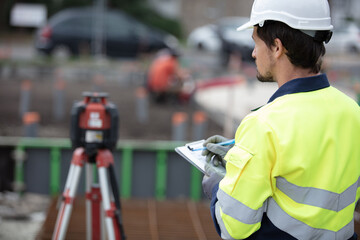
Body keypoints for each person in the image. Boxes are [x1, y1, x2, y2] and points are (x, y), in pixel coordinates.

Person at [201, 0, 360, 239]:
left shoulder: (263, 125)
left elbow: (233, 227)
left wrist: (215, 187)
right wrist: (243, 155)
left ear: (277, 47)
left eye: (256, 42)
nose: (253, 53)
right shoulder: (352, 111)